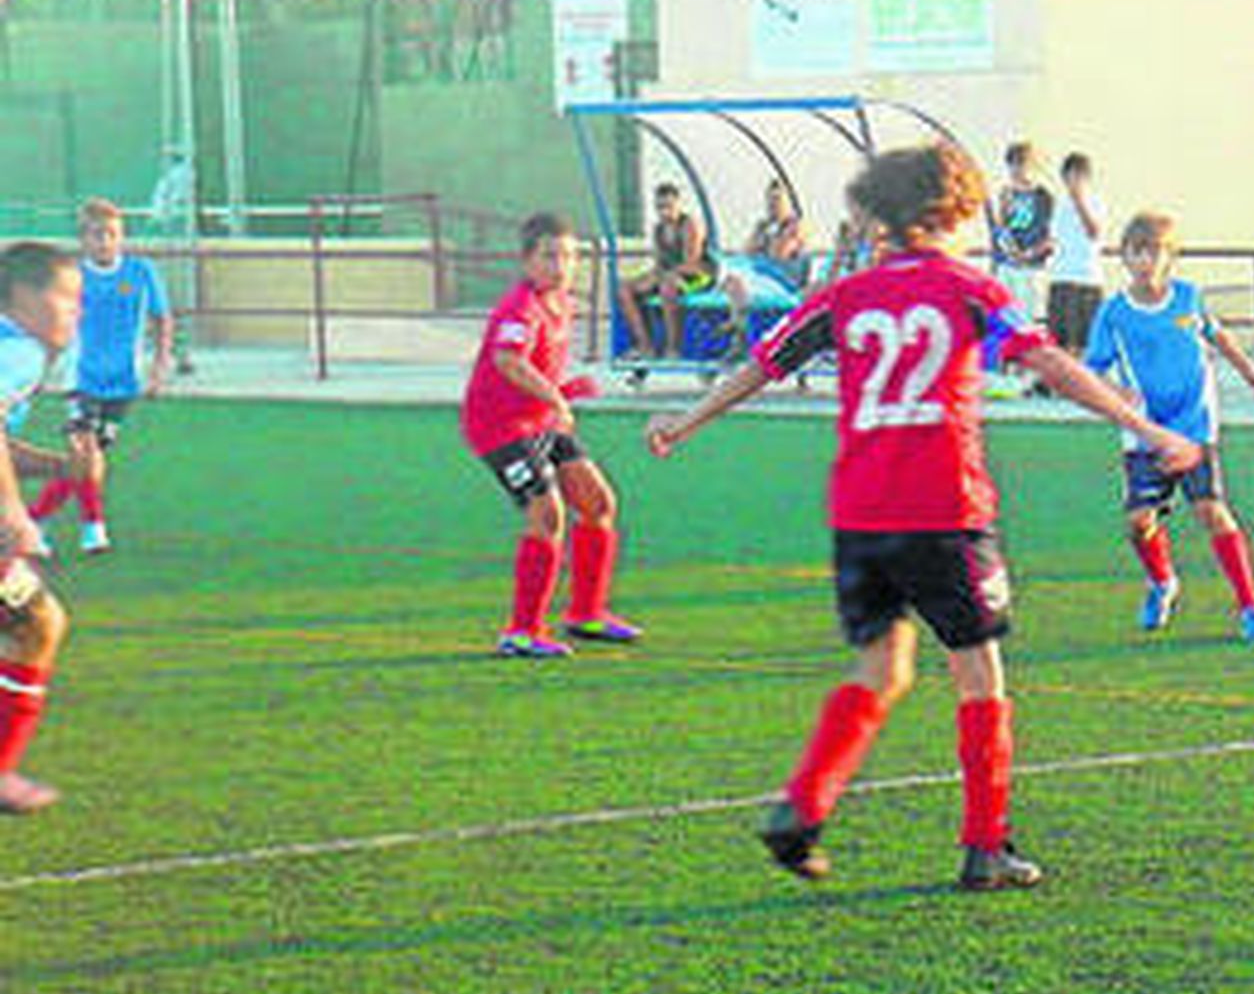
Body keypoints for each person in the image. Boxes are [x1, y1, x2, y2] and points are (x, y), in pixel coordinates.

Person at [645, 142, 1200, 892]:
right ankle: (986, 845)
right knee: (978, 670)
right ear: (949, 210)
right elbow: (1048, 363)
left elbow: (761, 366)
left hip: (861, 512)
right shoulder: (967, 288)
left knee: (883, 664)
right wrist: (1154, 430)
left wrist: (686, 421)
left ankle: (803, 808)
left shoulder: (847, 294)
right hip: (945, 508)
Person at [1084, 211, 1254, 643]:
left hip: (1194, 428)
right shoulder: (1114, 313)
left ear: (1171, 257)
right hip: (1145, 433)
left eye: (1156, 251)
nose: (1147, 260)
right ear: (1126, 257)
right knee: (1139, 521)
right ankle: (1162, 581)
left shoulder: (1189, 299)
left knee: (1211, 511)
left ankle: (1251, 605)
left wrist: (1250, 374)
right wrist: (1119, 391)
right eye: (1138, 251)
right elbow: (1091, 369)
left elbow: (1218, 336)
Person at [462, 211, 642, 660]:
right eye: (549, 255)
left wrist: (561, 392)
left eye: (568, 256)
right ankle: (521, 632)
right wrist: (557, 399)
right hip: (498, 427)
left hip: (539, 418)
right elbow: (509, 361)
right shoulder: (519, 306)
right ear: (527, 261)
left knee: (598, 504)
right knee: (546, 516)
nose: (560, 265)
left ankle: (586, 613)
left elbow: (536, 370)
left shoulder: (561, 303)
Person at [30, 197, 174, 554]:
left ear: (121, 236)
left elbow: (162, 319)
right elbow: (53, 325)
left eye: (111, 234)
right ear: (84, 239)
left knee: (87, 462)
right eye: (96, 235)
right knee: (85, 454)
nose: (104, 241)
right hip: (82, 381)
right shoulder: (73, 277)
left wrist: (159, 368)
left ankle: (37, 519)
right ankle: (90, 528)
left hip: (123, 384)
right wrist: (41, 369)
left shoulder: (141, 273)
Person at [0, 242, 83, 813]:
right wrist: (13, 514)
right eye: (67, 297)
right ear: (25, 297)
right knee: (39, 622)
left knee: (38, 620)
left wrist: (58, 467)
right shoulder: (20, 353)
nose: (76, 313)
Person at [616, 181, 719, 363]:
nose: (664, 212)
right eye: (660, 207)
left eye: (668, 207)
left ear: (678, 204)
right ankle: (645, 345)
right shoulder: (658, 229)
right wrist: (648, 278)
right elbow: (659, 263)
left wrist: (661, 276)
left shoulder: (689, 225)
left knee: (668, 287)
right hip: (670, 274)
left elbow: (691, 262)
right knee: (624, 289)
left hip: (700, 276)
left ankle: (673, 348)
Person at [722, 179, 811, 352]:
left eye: (778, 199)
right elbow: (747, 251)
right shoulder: (763, 225)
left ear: (787, 202)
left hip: (783, 282)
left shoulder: (795, 226)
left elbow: (779, 253)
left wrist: (764, 241)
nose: (773, 205)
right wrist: (764, 237)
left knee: (738, 286)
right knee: (731, 282)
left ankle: (738, 337)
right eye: (770, 200)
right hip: (761, 277)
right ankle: (738, 329)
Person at [1045, 152, 1106, 356]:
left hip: (1087, 280)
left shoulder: (1096, 202)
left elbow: (1094, 232)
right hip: (1060, 277)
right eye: (1069, 177)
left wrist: (1080, 202)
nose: (1073, 182)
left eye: (1078, 176)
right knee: (1060, 344)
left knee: (1086, 343)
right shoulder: (1059, 205)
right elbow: (1054, 239)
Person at [992, 141, 1054, 318]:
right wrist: (1008, 249)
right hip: (1007, 266)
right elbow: (1002, 228)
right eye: (1012, 165)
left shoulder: (1044, 196)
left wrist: (1029, 253)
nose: (1017, 170)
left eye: (1022, 164)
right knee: (1004, 317)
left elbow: (1051, 237)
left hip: (1032, 269)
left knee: (1029, 319)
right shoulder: (1006, 193)